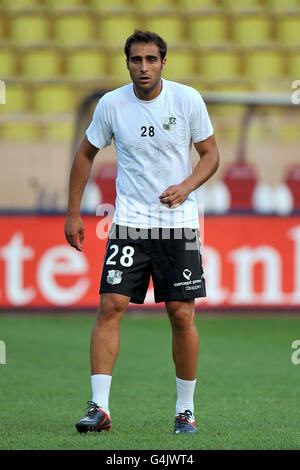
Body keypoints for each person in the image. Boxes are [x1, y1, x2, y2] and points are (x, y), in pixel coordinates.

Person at [64, 30, 219, 435]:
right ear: (127, 62)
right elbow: (85, 153)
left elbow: (210, 154)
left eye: (151, 59)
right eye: (136, 60)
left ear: (163, 62)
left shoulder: (187, 100)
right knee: (110, 305)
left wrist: (186, 187)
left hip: (178, 226)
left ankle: (185, 410)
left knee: (181, 314)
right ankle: (99, 407)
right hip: (130, 223)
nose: (144, 67)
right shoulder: (112, 105)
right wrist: (73, 212)